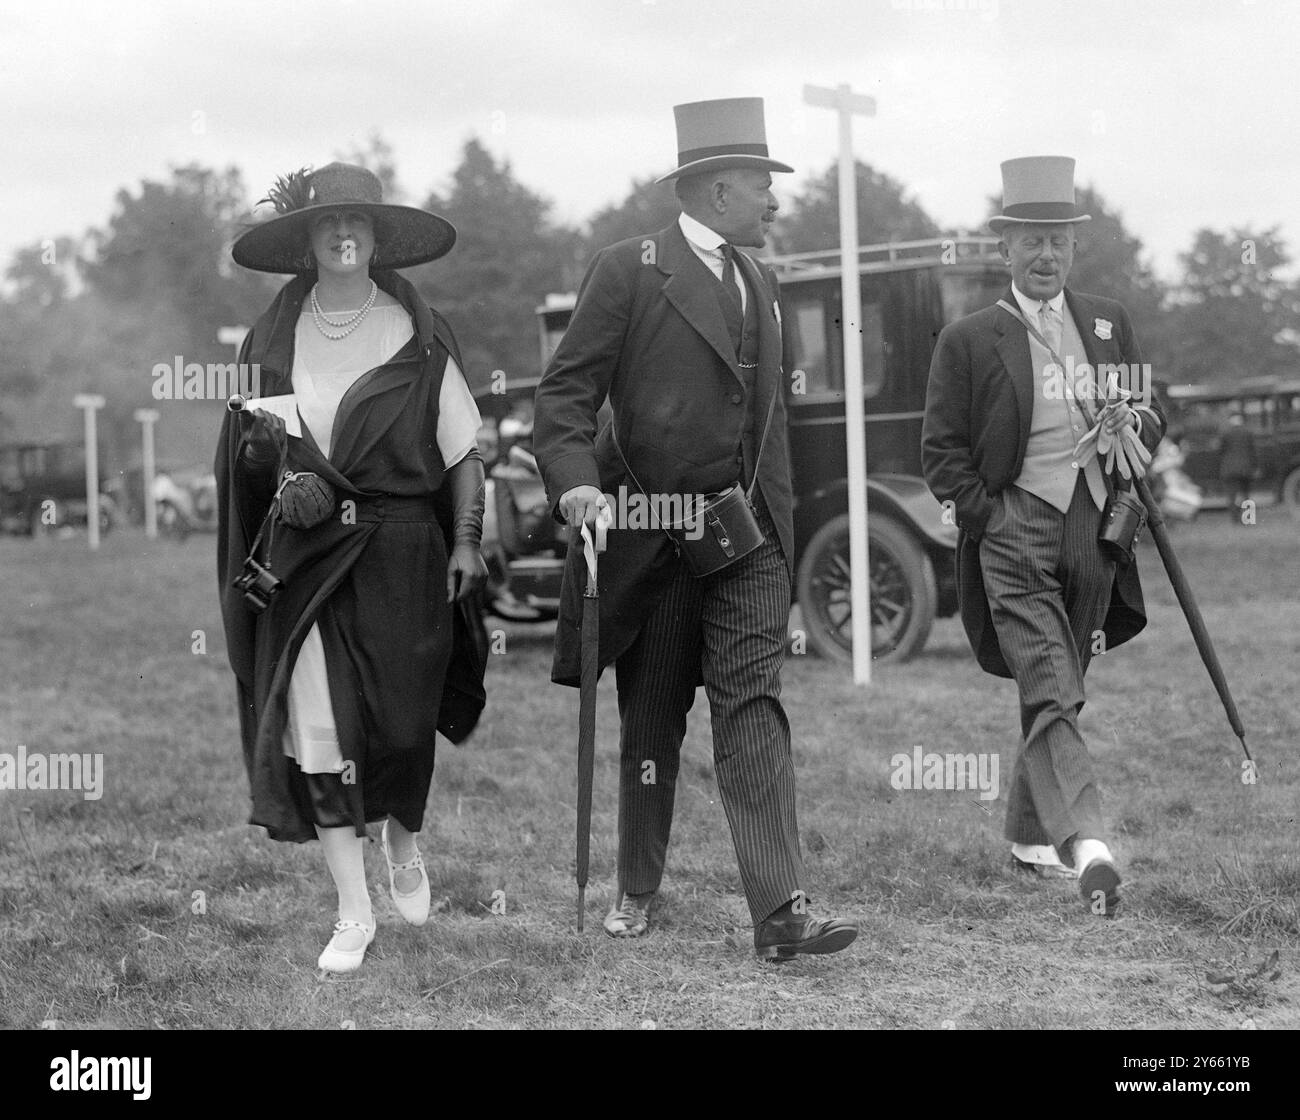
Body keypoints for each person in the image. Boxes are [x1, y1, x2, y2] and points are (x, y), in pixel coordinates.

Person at [533, 98, 857, 961]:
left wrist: (781, 545)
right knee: (652, 715)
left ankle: (781, 909)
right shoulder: (628, 270)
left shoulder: (764, 283)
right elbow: (564, 395)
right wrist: (574, 489)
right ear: (717, 191)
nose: (777, 202)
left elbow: (772, 429)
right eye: (764, 185)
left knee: (753, 703)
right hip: (652, 534)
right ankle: (639, 887)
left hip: (745, 540)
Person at [217, 162, 488, 972]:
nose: (343, 237)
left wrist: (468, 540)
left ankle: (403, 839)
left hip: (403, 547)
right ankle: (351, 910)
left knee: (402, 728)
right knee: (321, 729)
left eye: (358, 225)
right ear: (306, 242)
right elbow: (252, 460)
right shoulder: (268, 342)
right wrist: (279, 481)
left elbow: (462, 451)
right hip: (310, 560)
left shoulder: (420, 330)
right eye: (327, 226)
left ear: (376, 238)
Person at [922, 156, 1165, 916]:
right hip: (1014, 528)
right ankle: (1088, 844)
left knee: (1062, 684)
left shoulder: (1106, 320)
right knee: (1052, 678)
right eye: (1030, 241)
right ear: (1004, 249)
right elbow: (940, 452)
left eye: (1057, 240)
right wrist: (989, 516)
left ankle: (1029, 836)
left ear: (1072, 247)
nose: (1045, 255)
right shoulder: (969, 339)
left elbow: (1158, 418)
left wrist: (1136, 424)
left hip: (1096, 527)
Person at [1217, 411, 1257, 520]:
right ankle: (1248, 518)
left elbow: (1220, 450)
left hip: (1229, 469)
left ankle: (1235, 519)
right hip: (1245, 468)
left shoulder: (1225, 433)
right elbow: (1253, 451)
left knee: (1231, 495)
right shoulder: (1248, 432)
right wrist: (1254, 467)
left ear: (1231, 420)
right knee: (1246, 494)